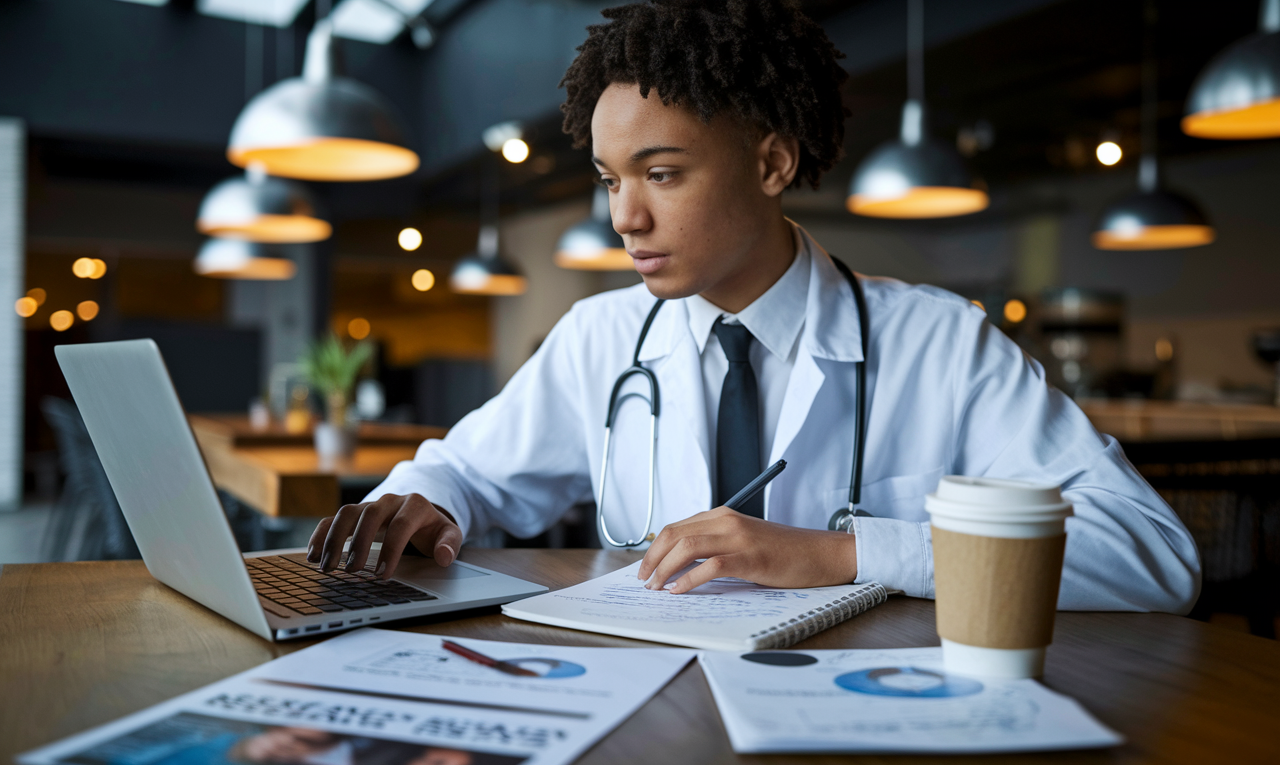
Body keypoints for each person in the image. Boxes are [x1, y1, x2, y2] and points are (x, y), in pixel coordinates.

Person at [307, 0, 1199, 613]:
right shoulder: (603, 338)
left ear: (771, 164)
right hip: (645, 725)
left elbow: (1149, 553)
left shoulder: (942, 344)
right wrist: (422, 502)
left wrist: (845, 556)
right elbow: (468, 475)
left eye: (661, 174)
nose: (626, 216)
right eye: (612, 180)